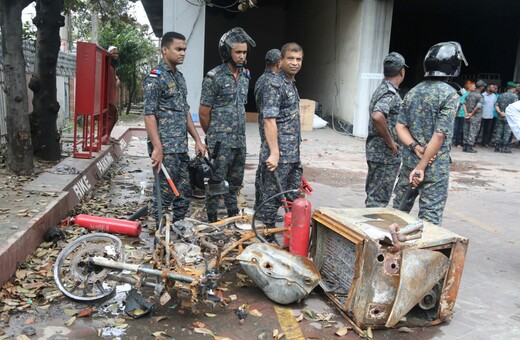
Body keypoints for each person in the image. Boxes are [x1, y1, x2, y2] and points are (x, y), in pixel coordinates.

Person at [393, 41, 467, 225]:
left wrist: (415, 147)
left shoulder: (413, 92)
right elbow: (440, 135)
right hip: (434, 168)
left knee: (398, 212)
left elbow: (400, 126)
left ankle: (389, 249)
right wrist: (422, 166)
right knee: (430, 219)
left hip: (410, 162)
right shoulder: (450, 94)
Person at [143, 32, 206, 226]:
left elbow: (185, 111)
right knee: (164, 192)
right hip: (165, 147)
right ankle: (159, 232)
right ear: (164, 50)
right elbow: (149, 114)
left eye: (184, 49)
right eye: (178, 49)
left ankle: (177, 229)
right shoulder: (155, 78)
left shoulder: (179, 78)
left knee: (184, 192)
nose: (183, 53)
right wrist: (157, 147)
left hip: (180, 146)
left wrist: (197, 139)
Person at [198, 27, 255, 222]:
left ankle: (231, 216)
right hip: (221, 142)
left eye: (244, 52)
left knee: (235, 182)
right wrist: (213, 135)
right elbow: (204, 113)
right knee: (216, 182)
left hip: (240, 140)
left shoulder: (246, 76)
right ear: (227, 52)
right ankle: (212, 219)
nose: (241, 56)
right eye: (238, 52)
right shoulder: (214, 77)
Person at [256, 42, 304, 229]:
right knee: (270, 203)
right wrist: (274, 153)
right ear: (281, 61)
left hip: (292, 155)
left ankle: (290, 241)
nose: (294, 63)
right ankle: (264, 243)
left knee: (293, 200)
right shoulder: (274, 84)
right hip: (279, 156)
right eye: (290, 58)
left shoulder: (290, 84)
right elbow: (269, 120)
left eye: (298, 59)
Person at [364, 52, 407, 208]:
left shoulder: (381, 89)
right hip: (385, 154)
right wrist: (391, 142)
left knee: (374, 195)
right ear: (402, 71)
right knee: (378, 200)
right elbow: (377, 116)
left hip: (377, 152)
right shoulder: (389, 93)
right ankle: (371, 230)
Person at [253, 49, 282, 212]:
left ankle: (259, 205)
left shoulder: (260, 80)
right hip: (269, 127)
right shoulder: (273, 82)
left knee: (263, 166)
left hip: (262, 126)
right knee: (268, 168)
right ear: (279, 63)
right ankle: (264, 210)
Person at [463, 79, 486, 153]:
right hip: (475, 117)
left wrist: (467, 113)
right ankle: (469, 147)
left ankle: (465, 146)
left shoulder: (469, 94)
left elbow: (463, 103)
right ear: (481, 87)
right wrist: (472, 114)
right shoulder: (480, 96)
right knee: (473, 131)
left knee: (466, 130)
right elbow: (478, 107)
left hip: (467, 115)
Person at [494, 82, 518, 153]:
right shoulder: (514, 96)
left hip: (500, 116)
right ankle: (504, 147)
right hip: (509, 118)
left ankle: (497, 146)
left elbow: (496, 105)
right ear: (513, 88)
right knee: (507, 132)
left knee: (499, 131)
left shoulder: (501, 95)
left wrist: (500, 112)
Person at [454, 81, 474, 147]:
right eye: (473, 86)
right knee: (461, 129)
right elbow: (462, 103)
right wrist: (465, 113)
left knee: (462, 129)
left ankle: (461, 143)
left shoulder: (469, 93)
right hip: (462, 113)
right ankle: (458, 143)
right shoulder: (466, 94)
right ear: (469, 87)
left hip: (463, 113)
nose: (474, 87)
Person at [107, 45, 120, 139]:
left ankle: (107, 136)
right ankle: (105, 137)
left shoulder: (112, 67)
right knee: (111, 117)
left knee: (113, 117)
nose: (116, 55)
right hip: (107, 98)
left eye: (117, 53)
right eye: (113, 53)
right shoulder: (106, 65)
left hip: (111, 97)